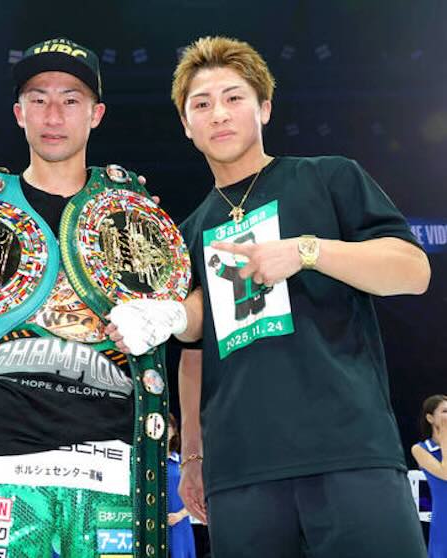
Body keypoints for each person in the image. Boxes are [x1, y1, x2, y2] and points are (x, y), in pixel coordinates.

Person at [0, 37, 203, 558]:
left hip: (111, 462)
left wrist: (175, 313)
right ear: (19, 113)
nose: (53, 114)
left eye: (71, 99)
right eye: (38, 98)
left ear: (96, 114)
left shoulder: (133, 219)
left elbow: (196, 316)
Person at [162, 35, 430, 557]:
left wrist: (308, 251)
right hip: (239, 472)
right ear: (187, 126)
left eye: (234, 97)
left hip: (349, 451)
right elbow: (193, 354)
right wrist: (192, 457)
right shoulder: (188, 231)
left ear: (264, 107)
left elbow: (413, 271)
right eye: (202, 104)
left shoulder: (329, 177)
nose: (219, 113)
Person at [412, 395, 447, 558]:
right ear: (430, 418)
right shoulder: (420, 449)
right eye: (445, 411)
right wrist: (445, 439)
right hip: (443, 517)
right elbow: (445, 474)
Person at [166, 413, 197, 558]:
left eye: (168, 426)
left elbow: (196, 496)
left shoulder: (182, 463)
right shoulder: (145, 463)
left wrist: (180, 515)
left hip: (179, 526)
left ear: (174, 431)